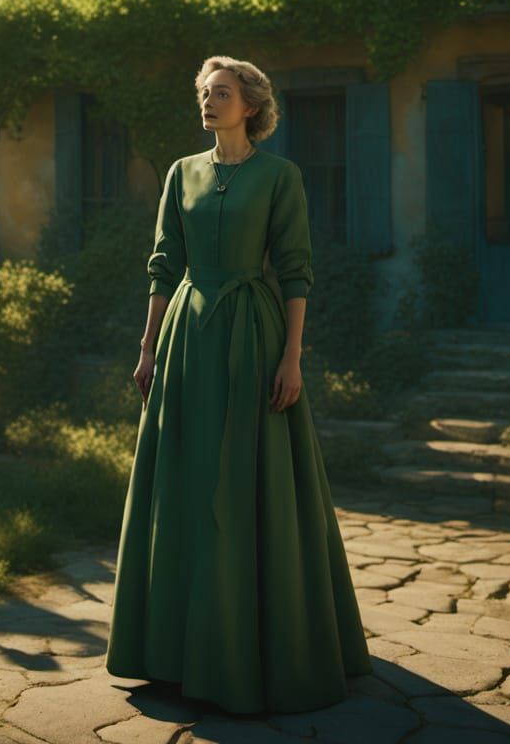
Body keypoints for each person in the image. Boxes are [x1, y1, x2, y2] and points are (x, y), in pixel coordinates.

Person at [104, 55, 373, 715]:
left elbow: (296, 269)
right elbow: (165, 262)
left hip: (252, 338)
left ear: (250, 104)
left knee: (248, 484)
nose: (208, 102)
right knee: (185, 481)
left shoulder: (280, 177)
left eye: (220, 93)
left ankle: (256, 643)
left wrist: (293, 357)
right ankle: (170, 648)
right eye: (203, 92)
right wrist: (146, 348)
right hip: (188, 340)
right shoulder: (181, 173)